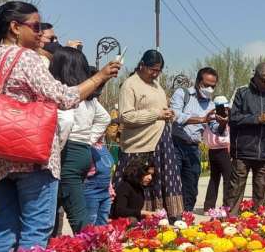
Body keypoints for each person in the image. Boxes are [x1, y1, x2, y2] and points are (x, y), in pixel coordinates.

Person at [0, 1, 121, 252]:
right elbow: (64, 96)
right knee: (36, 227)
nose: (39, 33)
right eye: (34, 26)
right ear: (14, 27)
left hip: (0, 154)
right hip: (31, 156)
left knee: (6, 226)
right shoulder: (25, 57)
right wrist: (100, 77)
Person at [114, 49, 183, 222]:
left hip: (161, 140)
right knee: (137, 180)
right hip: (140, 143)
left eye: (158, 71)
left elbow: (159, 109)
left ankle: (163, 215)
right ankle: (136, 217)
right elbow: (126, 116)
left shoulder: (156, 85)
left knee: (161, 180)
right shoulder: (130, 85)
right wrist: (156, 114)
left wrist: (168, 113)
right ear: (142, 65)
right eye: (152, 69)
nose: (155, 74)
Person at [50, 47, 111, 233]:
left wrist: (58, 146)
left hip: (68, 151)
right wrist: (89, 139)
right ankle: (52, 244)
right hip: (82, 151)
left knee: (76, 210)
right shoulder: (88, 97)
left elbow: (66, 120)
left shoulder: (65, 94)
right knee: (58, 201)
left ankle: (89, 249)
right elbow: (105, 118)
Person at [225, 62, 265, 215]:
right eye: (264, 80)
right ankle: (229, 221)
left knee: (261, 192)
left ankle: (258, 223)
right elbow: (233, 118)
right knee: (235, 191)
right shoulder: (242, 93)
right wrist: (258, 118)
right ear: (255, 77)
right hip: (243, 152)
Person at [171, 67, 218, 212]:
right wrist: (201, 119)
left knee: (191, 185)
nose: (209, 89)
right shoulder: (182, 94)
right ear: (198, 82)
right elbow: (175, 115)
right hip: (175, 144)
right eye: (206, 85)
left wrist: (222, 122)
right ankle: (172, 214)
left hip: (193, 147)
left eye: (213, 86)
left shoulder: (211, 104)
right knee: (173, 182)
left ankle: (187, 213)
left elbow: (215, 128)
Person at [202, 96, 230, 211]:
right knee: (228, 179)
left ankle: (209, 206)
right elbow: (219, 130)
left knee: (214, 178)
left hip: (212, 151)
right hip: (222, 150)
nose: (225, 110)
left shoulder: (209, 116)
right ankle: (227, 205)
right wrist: (224, 123)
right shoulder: (214, 118)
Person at [84, 138, 114, 226]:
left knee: (103, 224)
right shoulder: (87, 146)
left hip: (105, 192)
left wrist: (110, 190)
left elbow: (108, 172)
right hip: (91, 192)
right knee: (89, 224)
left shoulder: (103, 147)